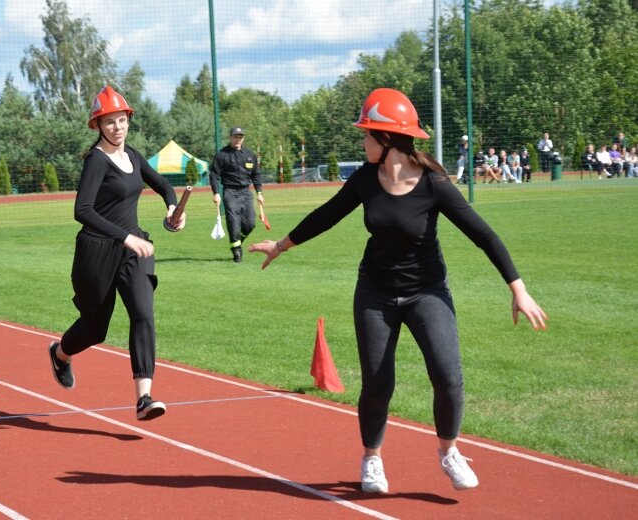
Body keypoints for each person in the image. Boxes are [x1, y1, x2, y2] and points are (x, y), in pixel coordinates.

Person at [249, 88, 547, 494]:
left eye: (366, 135)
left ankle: (449, 452)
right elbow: (328, 215)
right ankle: (372, 459)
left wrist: (519, 290)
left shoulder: (433, 184)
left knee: (448, 377)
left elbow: (484, 235)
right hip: (375, 293)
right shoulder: (365, 180)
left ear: (385, 139)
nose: (362, 142)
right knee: (377, 383)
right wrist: (281, 245)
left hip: (427, 292)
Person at [48, 85, 184, 421]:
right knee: (95, 329)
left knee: (143, 312)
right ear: (98, 125)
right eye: (109, 122)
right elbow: (83, 211)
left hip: (134, 249)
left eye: (121, 120)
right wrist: (123, 236)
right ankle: (60, 353)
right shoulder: (97, 160)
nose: (117, 127)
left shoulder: (133, 156)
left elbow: (165, 185)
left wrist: (171, 210)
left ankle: (144, 396)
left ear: (128, 120)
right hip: (97, 253)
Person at [209, 126, 264, 262]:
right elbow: (214, 175)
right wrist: (216, 193)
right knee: (234, 222)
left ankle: (237, 241)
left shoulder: (250, 155)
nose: (238, 140)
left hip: (246, 192)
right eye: (235, 137)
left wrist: (259, 192)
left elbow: (256, 175)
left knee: (250, 224)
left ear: (243, 138)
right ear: (230, 138)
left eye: (240, 137)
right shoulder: (222, 155)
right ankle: (236, 252)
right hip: (230, 192)